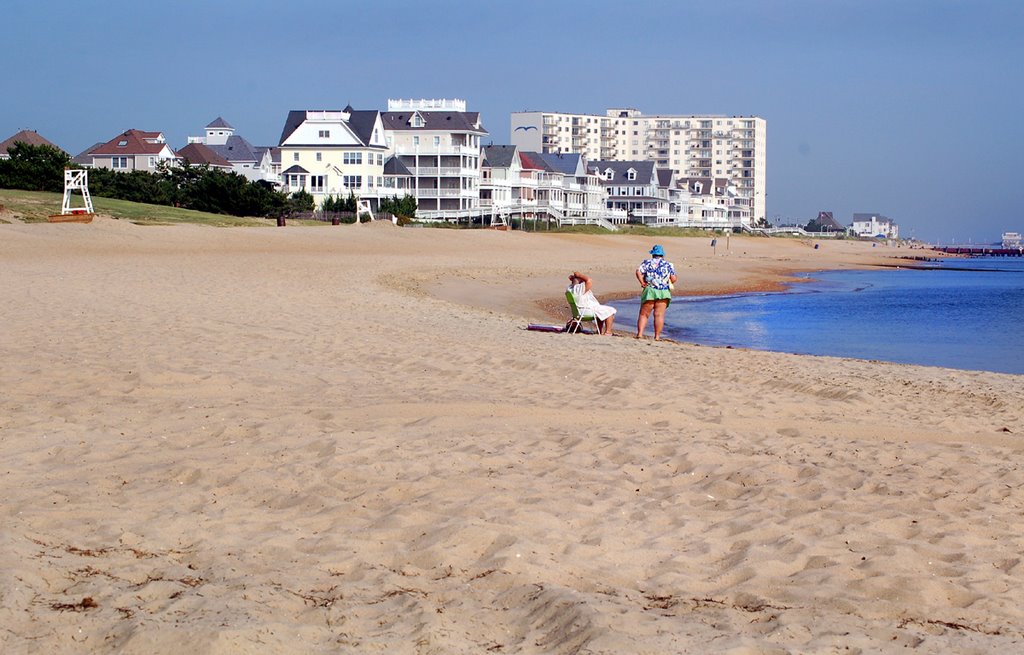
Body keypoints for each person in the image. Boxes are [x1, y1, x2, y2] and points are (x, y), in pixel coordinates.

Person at [635, 244, 677, 340]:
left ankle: (640, 334)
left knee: (644, 314)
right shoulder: (668, 265)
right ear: (662, 255)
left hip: (650, 289)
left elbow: (638, 271)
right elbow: (673, 279)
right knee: (659, 315)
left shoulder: (647, 263)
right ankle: (657, 336)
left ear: (652, 254)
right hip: (663, 291)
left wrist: (642, 282)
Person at [567, 271, 617, 335]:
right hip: (586, 311)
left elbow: (577, 282)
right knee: (611, 310)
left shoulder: (570, 289)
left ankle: (599, 331)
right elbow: (589, 280)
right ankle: (608, 332)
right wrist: (579, 275)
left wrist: (575, 278)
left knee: (601, 311)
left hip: (579, 311)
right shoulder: (578, 289)